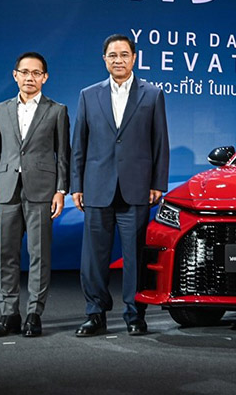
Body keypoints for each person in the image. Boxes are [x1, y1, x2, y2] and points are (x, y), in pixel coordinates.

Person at [71, 34, 169, 337]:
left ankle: (134, 315)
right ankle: (95, 313)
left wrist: (158, 182)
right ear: (104, 59)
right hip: (96, 187)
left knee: (135, 257)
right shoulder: (88, 95)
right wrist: (77, 185)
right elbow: (79, 144)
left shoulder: (152, 94)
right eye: (112, 55)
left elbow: (160, 142)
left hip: (136, 188)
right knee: (93, 258)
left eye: (124, 54)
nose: (118, 60)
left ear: (134, 58)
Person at [0, 52, 70, 338]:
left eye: (36, 73)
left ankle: (34, 313)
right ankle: (8, 313)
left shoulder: (57, 110)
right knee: (6, 254)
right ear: (15, 75)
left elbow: (63, 155)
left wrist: (61, 190)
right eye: (24, 72)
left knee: (39, 255)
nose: (29, 77)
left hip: (42, 190)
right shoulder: (0, 110)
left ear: (45, 77)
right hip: (6, 189)